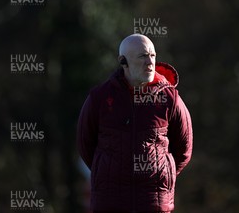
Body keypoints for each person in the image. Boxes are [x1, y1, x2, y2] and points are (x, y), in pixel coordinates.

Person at [77, 34, 193, 213]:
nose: (150, 62)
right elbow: (86, 145)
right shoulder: (99, 98)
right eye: (142, 56)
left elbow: (184, 149)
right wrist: (108, 171)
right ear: (123, 61)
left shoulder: (171, 99)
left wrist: (160, 173)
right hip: (110, 204)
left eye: (152, 55)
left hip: (153, 205)